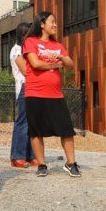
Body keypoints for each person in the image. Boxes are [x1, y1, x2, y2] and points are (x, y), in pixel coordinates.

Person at [22, 10, 80, 178]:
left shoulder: (58, 45)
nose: (55, 25)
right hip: (34, 93)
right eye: (52, 22)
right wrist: (55, 65)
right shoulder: (30, 41)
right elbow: (35, 63)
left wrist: (61, 57)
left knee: (67, 130)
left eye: (55, 22)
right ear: (41, 24)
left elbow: (70, 63)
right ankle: (41, 165)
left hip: (55, 95)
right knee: (36, 131)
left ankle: (71, 163)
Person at [9, 22, 36, 168]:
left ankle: (30, 155)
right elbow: (26, 70)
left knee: (33, 123)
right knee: (23, 122)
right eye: (29, 33)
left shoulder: (29, 49)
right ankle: (17, 156)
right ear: (23, 34)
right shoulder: (17, 50)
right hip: (25, 86)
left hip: (35, 87)